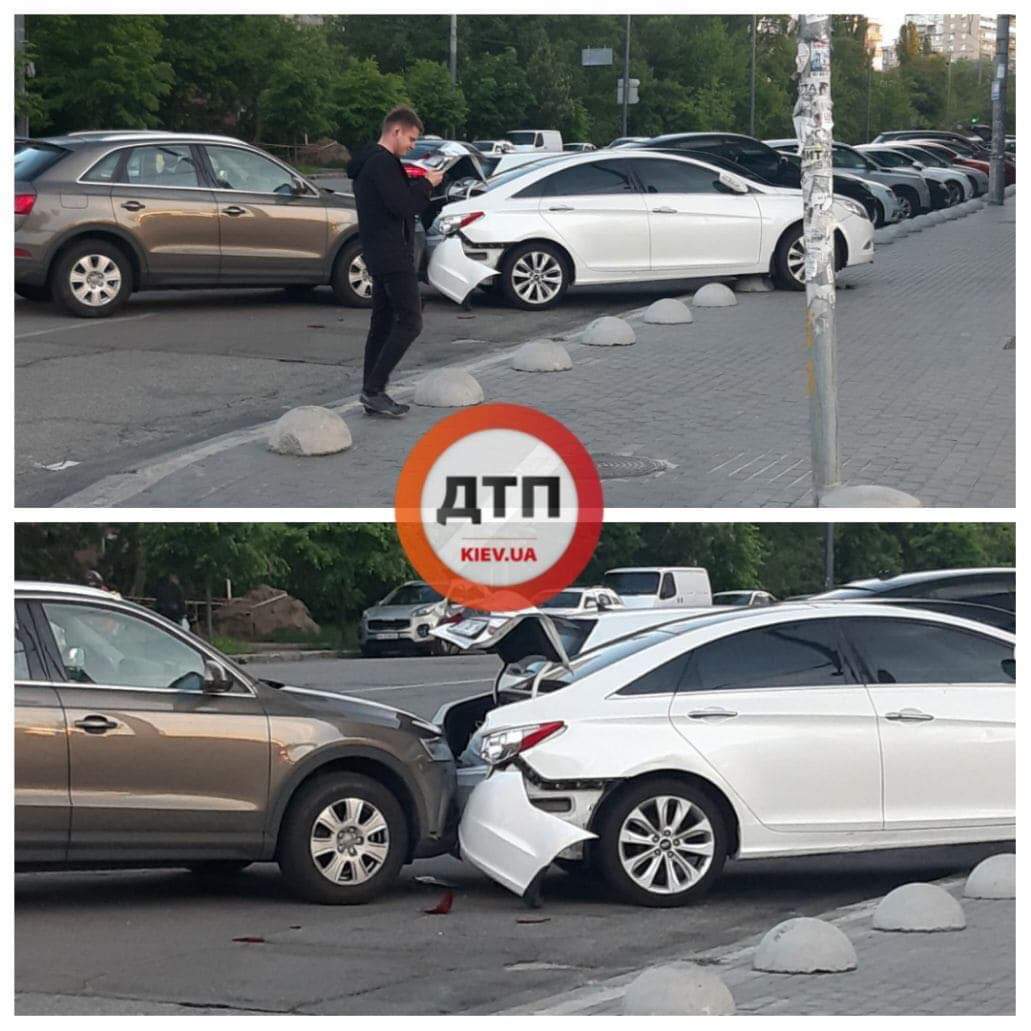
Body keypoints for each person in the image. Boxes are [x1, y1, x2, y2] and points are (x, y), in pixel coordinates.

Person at [346, 107, 443, 417]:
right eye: (411, 139)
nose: (412, 145)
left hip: (377, 251)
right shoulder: (382, 163)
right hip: (391, 254)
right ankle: (374, 389)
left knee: (383, 323)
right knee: (411, 321)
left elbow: (394, 202)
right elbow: (404, 206)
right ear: (396, 131)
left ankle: (370, 391)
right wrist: (427, 184)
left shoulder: (370, 162)